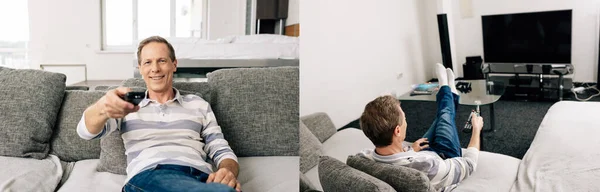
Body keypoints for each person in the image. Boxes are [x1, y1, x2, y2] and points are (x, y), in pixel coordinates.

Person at [76, 36, 240, 192]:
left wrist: (227, 171)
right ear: (140, 69)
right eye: (148, 62)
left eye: (162, 60)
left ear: (174, 64)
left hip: (200, 178)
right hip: (150, 174)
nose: (155, 68)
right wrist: (102, 107)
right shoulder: (127, 105)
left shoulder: (199, 104)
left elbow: (221, 149)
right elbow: (85, 132)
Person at [358, 63, 483, 191]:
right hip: (445, 156)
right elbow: (469, 165)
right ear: (397, 130)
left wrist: (410, 150)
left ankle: (448, 90)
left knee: (443, 117)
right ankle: (447, 89)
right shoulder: (427, 168)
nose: (406, 121)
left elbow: (397, 160)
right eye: (404, 119)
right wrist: (476, 129)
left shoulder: (364, 157)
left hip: (417, 153)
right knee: (444, 115)